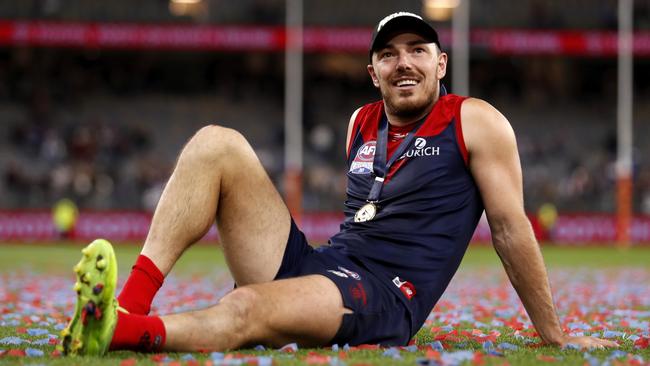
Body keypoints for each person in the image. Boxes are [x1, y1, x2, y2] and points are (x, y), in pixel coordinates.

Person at [61, 12, 618, 355]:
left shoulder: (476, 120)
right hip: (327, 265)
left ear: (441, 63)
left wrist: (554, 333)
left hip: (383, 295)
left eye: (418, 51)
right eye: (388, 54)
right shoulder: (360, 122)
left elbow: (509, 229)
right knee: (216, 142)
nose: (404, 63)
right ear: (371, 72)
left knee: (249, 308)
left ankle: (117, 333)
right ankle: (129, 306)